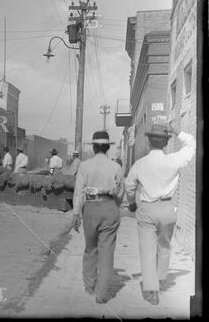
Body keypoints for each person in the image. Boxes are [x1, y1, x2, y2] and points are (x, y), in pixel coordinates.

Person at [124, 125, 195, 305]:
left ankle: (151, 290)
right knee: (164, 245)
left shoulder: (140, 164)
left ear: (148, 142)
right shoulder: (174, 160)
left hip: (147, 210)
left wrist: (132, 203)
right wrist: (176, 131)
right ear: (166, 142)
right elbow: (192, 144)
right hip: (168, 208)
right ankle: (161, 276)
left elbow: (129, 186)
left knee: (148, 250)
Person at [71, 131, 124, 304]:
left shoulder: (84, 166)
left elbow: (78, 192)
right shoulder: (116, 167)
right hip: (109, 207)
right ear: (108, 147)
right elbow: (120, 195)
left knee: (90, 248)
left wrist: (76, 214)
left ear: (93, 147)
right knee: (107, 251)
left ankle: (89, 284)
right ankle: (101, 294)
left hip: (91, 208)